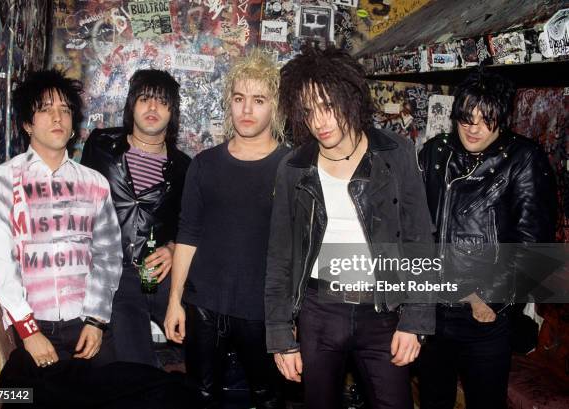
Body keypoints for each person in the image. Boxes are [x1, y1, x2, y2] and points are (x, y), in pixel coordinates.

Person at [265, 45, 435, 409]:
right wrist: (280, 334)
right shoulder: (294, 168)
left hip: (382, 310)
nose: (320, 121)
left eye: (328, 106)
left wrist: (416, 318)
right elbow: (280, 256)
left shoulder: (395, 154)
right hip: (319, 311)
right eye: (309, 111)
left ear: (351, 97)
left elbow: (420, 238)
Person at [417, 70, 557, 409]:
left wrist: (490, 301)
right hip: (431, 311)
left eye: (485, 119)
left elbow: (535, 244)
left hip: (483, 319)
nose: (473, 127)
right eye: (466, 117)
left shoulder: (524, 158)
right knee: (433, 400)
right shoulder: (436, 152)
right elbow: (413, 225)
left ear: (502, 119)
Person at [0, 69, 122, 370]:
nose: (57, 118)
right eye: (45, 110)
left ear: (72, 125)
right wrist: (29, 332)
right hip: (31, 326)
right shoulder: (0, 182)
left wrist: (96, 322)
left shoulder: (95, 183)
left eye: (65, 111)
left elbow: (108, 256)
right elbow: (2, 263)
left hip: (87, 325)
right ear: (27, 123)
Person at [163, 49, 288, 408]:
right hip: (204, 307)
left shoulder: (291, 167)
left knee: (268, 398)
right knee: (201, 397)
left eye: (258, 100)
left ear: (274, 107)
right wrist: (174, 302)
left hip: (262, 310)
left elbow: (299, 247)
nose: (247, 110)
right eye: (239, 98)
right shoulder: (204, 165)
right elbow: (188, 235)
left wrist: (292, 318)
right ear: (228, 104)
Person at [81, 69, 190, 367]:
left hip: (157, 272)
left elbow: (190, 225)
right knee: (135, 360)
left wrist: (171, 248)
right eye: (144, 99)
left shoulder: (183, 167)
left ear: (173, 112)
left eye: (162, 102)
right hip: (114, 272)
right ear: (131, 105)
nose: (152, 108)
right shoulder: (101, 146)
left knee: (206, 335)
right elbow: (80, 203)